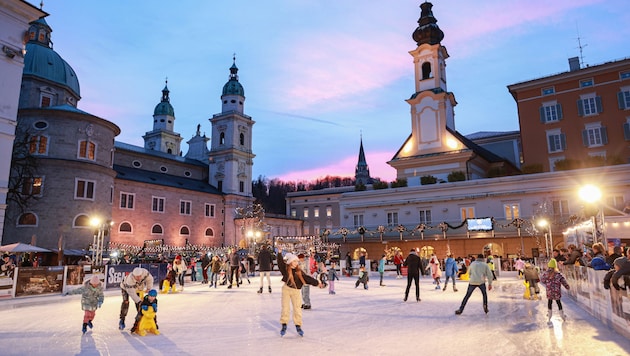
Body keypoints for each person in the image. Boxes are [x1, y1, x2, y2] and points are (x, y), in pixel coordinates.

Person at [276, 247, 322, 337]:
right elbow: (280, 263)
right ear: (290, 262)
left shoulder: (299, 272)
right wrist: (279, 253)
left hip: (296, 291)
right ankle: (284, 324)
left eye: (297, 261)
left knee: (297, 308)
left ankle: (298, 325)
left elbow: (307, 278)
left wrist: (317, 283)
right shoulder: (286, 270)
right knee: (285, 308)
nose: (296, 263)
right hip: (286, 289)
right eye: (294, 261)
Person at [540, 258, 570, 324]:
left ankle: (549, 315)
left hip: (549, 291)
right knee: (558, 302)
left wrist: (548, 284)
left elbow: (542, 280)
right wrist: (567, 286)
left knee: (549, 302)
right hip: (556, 291)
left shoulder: (546, 274)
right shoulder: (558, 274)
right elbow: (563, 281)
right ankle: (562, 315)